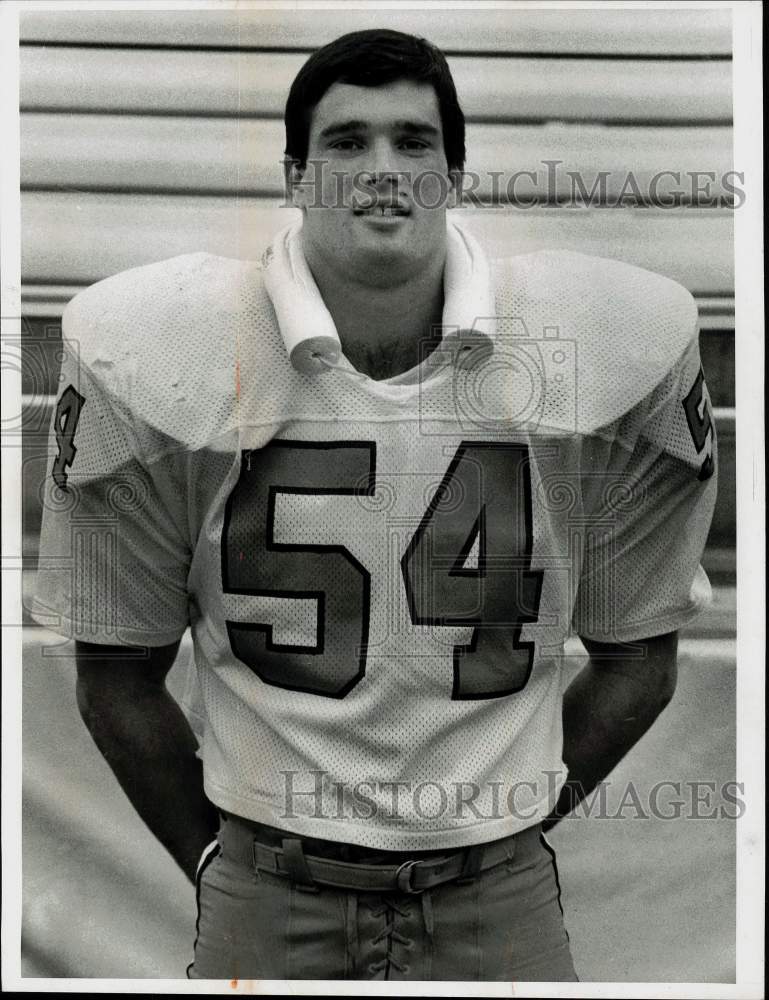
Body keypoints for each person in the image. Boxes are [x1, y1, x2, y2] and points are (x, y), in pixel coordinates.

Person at [32, 28, 718, 982]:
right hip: (268, 885)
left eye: (414, 142)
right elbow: (115, 672)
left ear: (456, 173)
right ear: (294, 175)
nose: (381, 170)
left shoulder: (593, 343)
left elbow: (638, 661)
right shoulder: (172, 350)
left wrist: (506, 825)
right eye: (346, 143)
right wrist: (218, 864)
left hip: (500, 894)